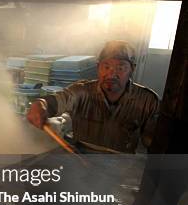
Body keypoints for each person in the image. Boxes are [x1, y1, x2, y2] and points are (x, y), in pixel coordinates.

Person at [26, 40, 159, 154]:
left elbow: (151, 141)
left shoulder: (148, 100)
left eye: (120, 68)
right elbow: (59, 100)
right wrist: (41, 104)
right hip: (80, 158)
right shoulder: (81, 91)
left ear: (132, 69)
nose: (111, 74)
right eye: (106, 66)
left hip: (122, 164)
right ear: (98, 67)